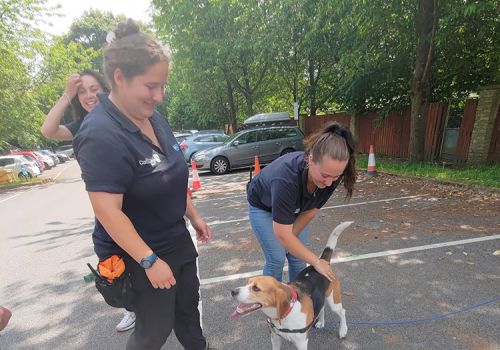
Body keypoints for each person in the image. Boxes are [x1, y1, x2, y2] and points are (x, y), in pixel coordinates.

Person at [73, 19, 212, 350]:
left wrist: (193, 215)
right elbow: (108, 211)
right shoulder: (100, 134)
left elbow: (172, 173)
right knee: (154, 330)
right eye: (151, 86)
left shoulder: (150, 114)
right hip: (137, 251)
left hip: (174, 238)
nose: (159, 96)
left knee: (188, 315)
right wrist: (149, 261)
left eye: (162, 85)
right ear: (119, 78)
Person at [40, 71, 136, 332]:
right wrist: (66, 94)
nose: (89, 95)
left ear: (107, 88)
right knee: (110, 259)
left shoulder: (122, 117)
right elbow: (47, 130)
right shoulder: (81, 125)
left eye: (94, 89)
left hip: (137, 201)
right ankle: (132, 306)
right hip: (106, 206)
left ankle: (156, 304)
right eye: (82, 92)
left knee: (144, 252)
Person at [247, 122, 356, 283]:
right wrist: (317, 261)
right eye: (325, 175)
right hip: (263, 205)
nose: (329, 183)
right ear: (311, 159)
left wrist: (291, 243)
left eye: (335, 177)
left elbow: (311, 210)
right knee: (277, 258)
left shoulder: (331, 177)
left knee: (297, 256)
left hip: (296, 208)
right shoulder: (286, 178)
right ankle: (270, 304)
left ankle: (297, 303)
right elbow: (282, 235)